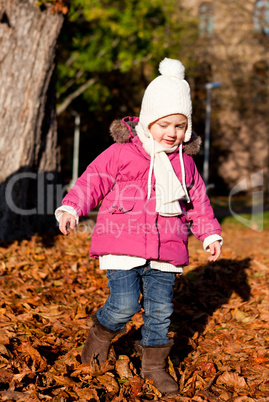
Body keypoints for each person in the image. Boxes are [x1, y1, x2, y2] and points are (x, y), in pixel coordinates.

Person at [55, 58, 222, 395]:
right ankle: (100, 336)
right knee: (125, 304)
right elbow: (93, 181)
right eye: (164, 124)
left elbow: (197, 203)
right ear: (148, 122)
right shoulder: (123, 153)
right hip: (122, 244)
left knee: (160, 311)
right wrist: (72, 207)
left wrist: (210, 233)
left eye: (179, 126)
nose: (172, 133)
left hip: (167, 248)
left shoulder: (185, 164)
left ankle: (153, 366)